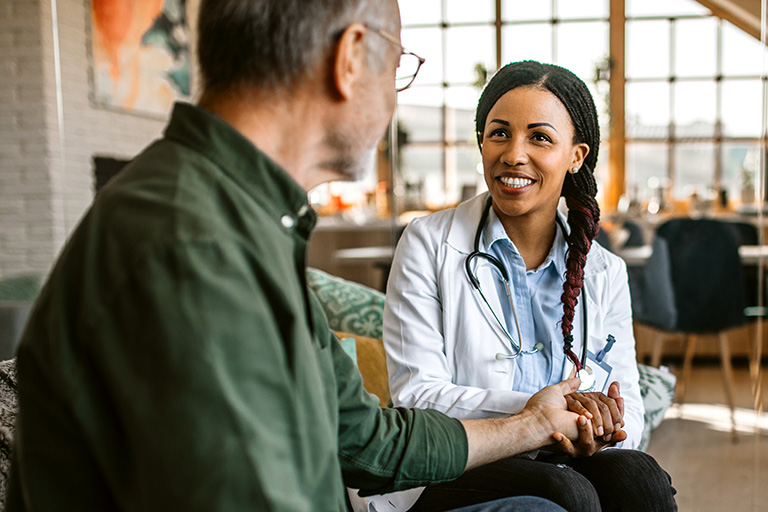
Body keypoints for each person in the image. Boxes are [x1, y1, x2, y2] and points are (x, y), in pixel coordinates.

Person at [7, 3, 591, 511]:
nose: (393, 96)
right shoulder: (193, 246)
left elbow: (365, 440)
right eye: (398, 69)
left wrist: (531, 424)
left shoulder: (243, 220)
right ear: (351, 57)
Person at [383, 61, 677, 511]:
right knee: (567, 493)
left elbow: (629, 409)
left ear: (576, 156)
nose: (514, 154)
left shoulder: (604, 271)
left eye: (539, 137)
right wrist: (536, 413)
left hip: (566, 455)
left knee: (640, 477)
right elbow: (416, 398)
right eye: (499, 133)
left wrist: (599, 427)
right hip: (460, 460)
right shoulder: (428, 243)